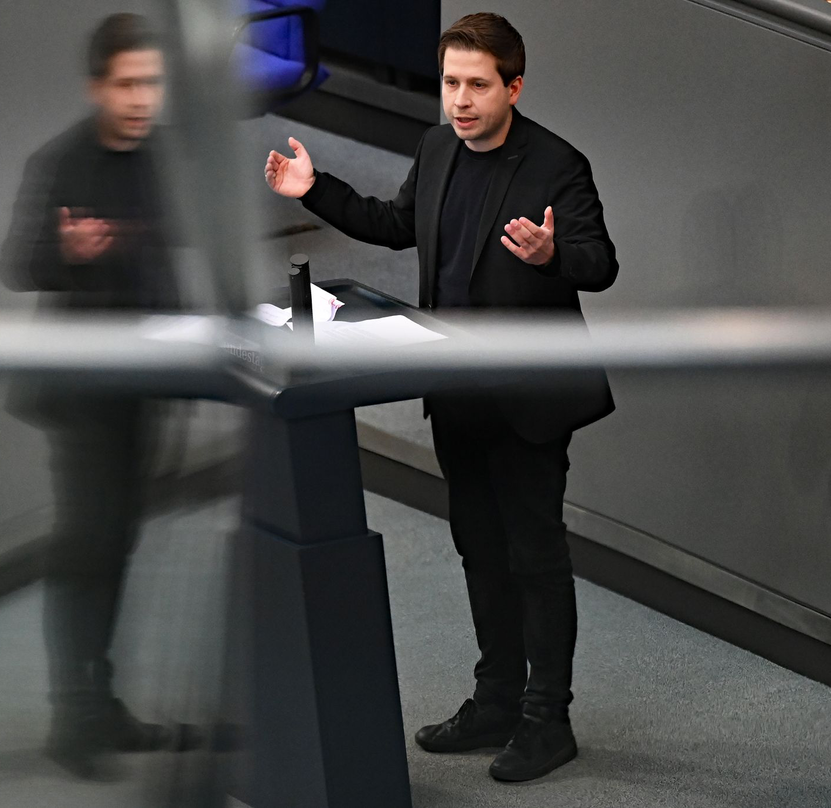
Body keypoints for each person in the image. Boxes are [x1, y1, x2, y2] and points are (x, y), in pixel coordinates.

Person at [264, 11, 618, 783]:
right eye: (451, 82)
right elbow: (396, 224)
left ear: (513, 87)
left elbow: (600, 264)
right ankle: (495, 701)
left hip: (527, 399)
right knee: (479, 550)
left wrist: (553, 253)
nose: (459, 100)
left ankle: (547, 721)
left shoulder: (557, 164)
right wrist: (313, 188)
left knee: (535, 558)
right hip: (455, 390)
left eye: (477, 85)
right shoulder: (436, 147)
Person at [0, 12, 186, 779]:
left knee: (118, 544)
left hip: (142, 386)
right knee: (86, 547)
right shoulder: (61, 162)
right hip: (80, 395)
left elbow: (167, 260)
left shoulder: (161, 159)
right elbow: (19, 264)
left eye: (152, 84)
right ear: (97, 87)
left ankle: (101, 705)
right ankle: (71, 718)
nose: (142, 99)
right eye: (128, 84)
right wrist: (67, 251)